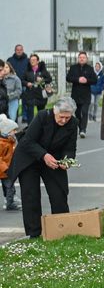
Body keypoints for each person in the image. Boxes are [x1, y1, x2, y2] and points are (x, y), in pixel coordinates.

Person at [10, 98, 78, 238]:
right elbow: (28, 141)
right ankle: (34, 233)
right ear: (55, 111)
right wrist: (44, 155)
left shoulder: (73, 124)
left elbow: (70, 148)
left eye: (67, 117)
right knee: (31, 195)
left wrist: (67, 161)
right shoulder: (42, 116)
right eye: (61, 117)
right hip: (30, 157)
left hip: (54, 159)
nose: (64, 120)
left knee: (59, 192)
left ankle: (61, 228)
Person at [66, 52, 97, 137]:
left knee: (84, 111)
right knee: (77, 113)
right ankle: (80, 127)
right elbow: (68, 78)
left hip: (86, 94)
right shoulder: (73, 68)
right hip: (75, 94)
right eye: (80, 57)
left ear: (86, 59)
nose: (82, 59)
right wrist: (77, 79)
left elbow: (94, 80)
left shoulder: (90, 69)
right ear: (78, 58)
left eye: (83, 57)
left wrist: (86, 80)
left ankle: (83, 130)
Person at [20, 53, 51, 124]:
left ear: (37, 61)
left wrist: (42, 80)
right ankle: (30, 127)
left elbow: (49, 79)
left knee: (41, 112)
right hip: (30, 94)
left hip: (41, 94)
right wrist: (27, 83)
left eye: (34, 60)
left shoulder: (43, 70)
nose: (32, 61)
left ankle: (41, 126)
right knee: (30, 112)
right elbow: (22, 80)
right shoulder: (27, 71)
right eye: (31, 60)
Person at [0, 114, 19, 211]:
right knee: (10, 187)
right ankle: (10, 203)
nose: (15, 132)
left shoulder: (9, 141)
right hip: (4, 170)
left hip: (7, 169)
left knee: (9, 187)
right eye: (13, 130)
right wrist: (6, 168)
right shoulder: (2, 143)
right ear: (7, 131)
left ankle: (10, 202)